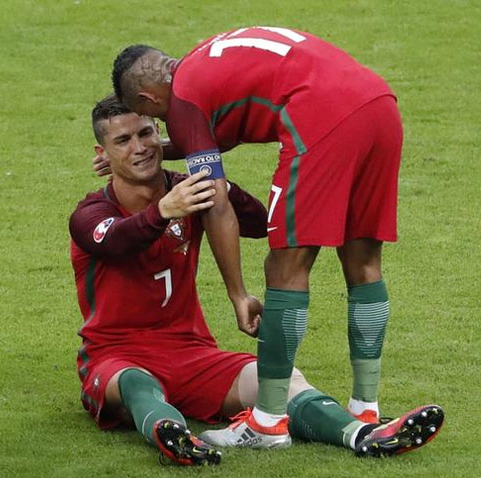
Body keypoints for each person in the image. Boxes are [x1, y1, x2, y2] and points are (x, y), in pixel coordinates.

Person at [71, 94, 444, 465]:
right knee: (139, 384)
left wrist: (216, 183)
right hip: (114, 356)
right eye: (123, 140)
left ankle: (364, 435)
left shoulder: (187, 191)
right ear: (102, 152)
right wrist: (164, 210)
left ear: (161, 135)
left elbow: (257, 221)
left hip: (192, 352)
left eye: (146, 133)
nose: (140, 147)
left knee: (277, 380)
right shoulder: (91, 213)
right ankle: (174, 434)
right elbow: (117, 241)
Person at [109, 26, 414, 447]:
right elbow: (212, 135)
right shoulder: (206, 60)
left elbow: (214, 202)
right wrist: (151, 150)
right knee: (362, 261)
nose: (163, 125)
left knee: (285, 265)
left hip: (321, 117)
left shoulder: (182, 100)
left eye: (155, 121)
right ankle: (365, 407)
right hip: (378, 103)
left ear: (147, 100)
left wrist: (237, 294)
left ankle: (267, 421)